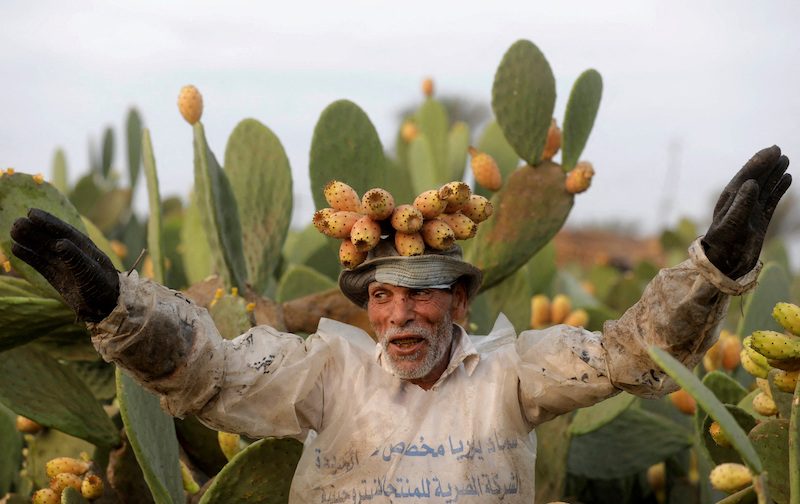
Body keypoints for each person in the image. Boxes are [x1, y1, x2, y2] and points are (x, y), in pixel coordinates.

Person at [8, 146, 791, 502]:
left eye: (420, 297)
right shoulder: (327, 374)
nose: (399, 317)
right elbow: (211, 375)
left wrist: (711, 271)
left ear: (457, 301)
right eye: (381, 299)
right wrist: (117, 308)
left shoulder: (513, 374)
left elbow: (630, 359)